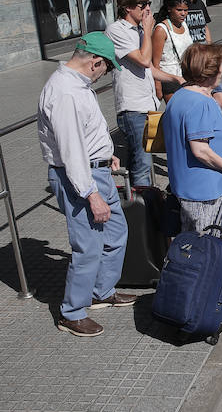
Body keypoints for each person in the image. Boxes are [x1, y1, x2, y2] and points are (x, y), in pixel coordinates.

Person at [39, 31, 136, 337]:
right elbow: (71, 151)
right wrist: (91, 194)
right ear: (96, 62)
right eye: (107, 68)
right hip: (81, 177)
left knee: (117, 232)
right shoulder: (66, 92)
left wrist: (108, 156)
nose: (105, 74)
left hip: (97, 170)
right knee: (88, 246)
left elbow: (87, 134)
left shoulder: (76, 86)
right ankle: (72, 312)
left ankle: (101, 290)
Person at [162, 43, 222, 308]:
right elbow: (200, 150)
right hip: (203, 189)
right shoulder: (202, 103)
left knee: (192, 245)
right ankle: (205, 298)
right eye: (219, 65)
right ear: (209, 71)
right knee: (204, 247)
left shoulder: (178, 97)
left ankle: (192, 296)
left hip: (185, 185)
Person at [106, 0, 183, 188]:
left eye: (149, 4)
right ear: (128, 8)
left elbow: (149, 68)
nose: (148, 10)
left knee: (146, 159)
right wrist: (148, 30)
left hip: (148, 105)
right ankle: (142, 210)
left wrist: (175, 79)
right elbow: (143, 59)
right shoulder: (117, 30)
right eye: (143, 5)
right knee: (141, 163)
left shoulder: (140, 30)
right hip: (132, 108)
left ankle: (145, 202)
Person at [182, 0, 222, 109]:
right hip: (194, 60)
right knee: (203, 97)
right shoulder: (181, 6)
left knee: (221, 98)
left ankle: (214, 115)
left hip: (206, 55)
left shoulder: (199, 4)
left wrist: (210, 46)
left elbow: (205, 26)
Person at [151, 0, 194, 102]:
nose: (183, 13)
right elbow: (155, 62)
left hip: (186, 76)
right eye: (179, 10)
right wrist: (158, 86)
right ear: (169, 8)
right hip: (169, 79)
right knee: (177, 113)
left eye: (186, 10)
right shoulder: (161, 29)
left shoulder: (184, 24)